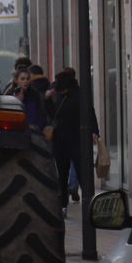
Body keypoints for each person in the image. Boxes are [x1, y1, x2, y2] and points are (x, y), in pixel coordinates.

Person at [48, 69, 97, 204]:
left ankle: (88, 202)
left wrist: (94, 132)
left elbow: (89, 112)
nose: (60, 92)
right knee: (63, 175)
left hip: (76, 139)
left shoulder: (79, 95)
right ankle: (63, 203)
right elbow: (53, 114)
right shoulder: (58, 93)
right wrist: (47, 99)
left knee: (81, 173)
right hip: (62, 140)